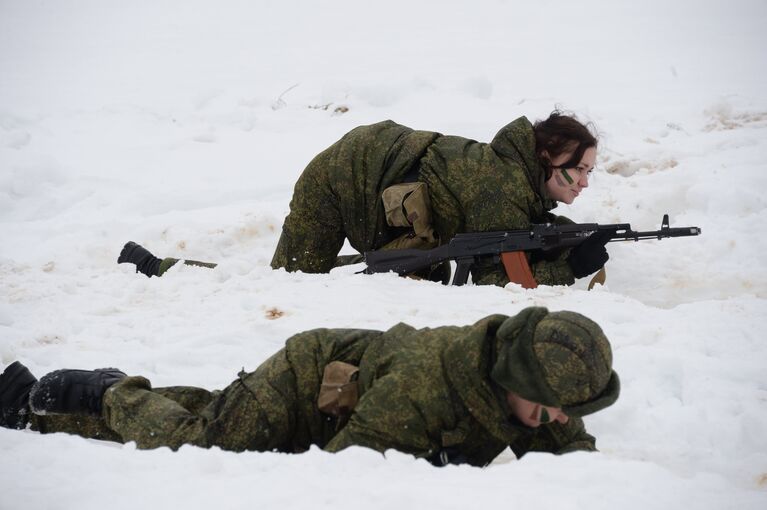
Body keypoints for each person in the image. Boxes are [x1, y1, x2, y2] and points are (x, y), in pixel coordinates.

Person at [0, 307, 619, 467]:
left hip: (344, 391)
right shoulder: (421, 393)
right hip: (303, 383)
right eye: (550, 408)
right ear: (514, 380)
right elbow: (342, 476)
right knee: (198, 449)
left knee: (218, 415)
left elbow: (575, 463)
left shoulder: (537, 378)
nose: (562, 419)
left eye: (570, 410)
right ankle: (105, 392)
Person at [118, 110, 610, 286]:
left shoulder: (514, 179)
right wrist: (569, 267)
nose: (584, 184)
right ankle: (159, 270)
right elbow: (494, 282)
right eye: (579, 171)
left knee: (416, 274)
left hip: (373, 172)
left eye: (589, 173)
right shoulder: (499, 185)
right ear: (546, 157)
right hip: (340, 179)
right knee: (288, 286)